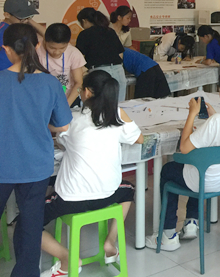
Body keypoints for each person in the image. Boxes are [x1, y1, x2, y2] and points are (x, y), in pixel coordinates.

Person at [40, 70, 143, 277]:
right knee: (128, 190)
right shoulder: (116, 117)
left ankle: (67, 258)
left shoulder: (72, 119)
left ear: (86, 92)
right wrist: (119, 113)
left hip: (71, 200)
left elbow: (60, 142)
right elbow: (139, 139)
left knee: (28, 220)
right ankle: (110, 242)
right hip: (107, 195)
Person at [146, 66, 220, 251]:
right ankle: (192, 221)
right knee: (199, 163)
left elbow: (184, 147)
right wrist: (214, 118)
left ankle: (168, 235)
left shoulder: (217, 122)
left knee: (169, 170)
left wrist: (192, 114)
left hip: (206, 181)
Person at [0, 24, 72, 277]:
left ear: (6, 50)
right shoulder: (50, 83)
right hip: (36, 165)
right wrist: (41, 122)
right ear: (37, 46)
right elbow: (63, 125)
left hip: (2, 164)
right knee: (31, 225)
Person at [75, 8, 127, 102]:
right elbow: (120, 53)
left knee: (101, 105)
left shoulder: (85, 34)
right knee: (119, 104)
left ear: (84, 21)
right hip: (118, 70)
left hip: (99, 72)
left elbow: (78, 58)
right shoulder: (110, 31)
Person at [37, 23, 86, 108]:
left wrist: (66, 106)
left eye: (62, 48)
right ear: (44, 41)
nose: (56, 52)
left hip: (68, 99)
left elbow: (78, 83)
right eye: (52, 48)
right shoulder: (37, 51)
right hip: (44, 99)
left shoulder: (73, 53)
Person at [1, 0, 45, 70]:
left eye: (29, 17)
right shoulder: (4, 30)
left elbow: (49, 37)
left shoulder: (23, 27)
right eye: (22, 17)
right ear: (7, 15)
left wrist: (28, 19)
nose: (26, 20)